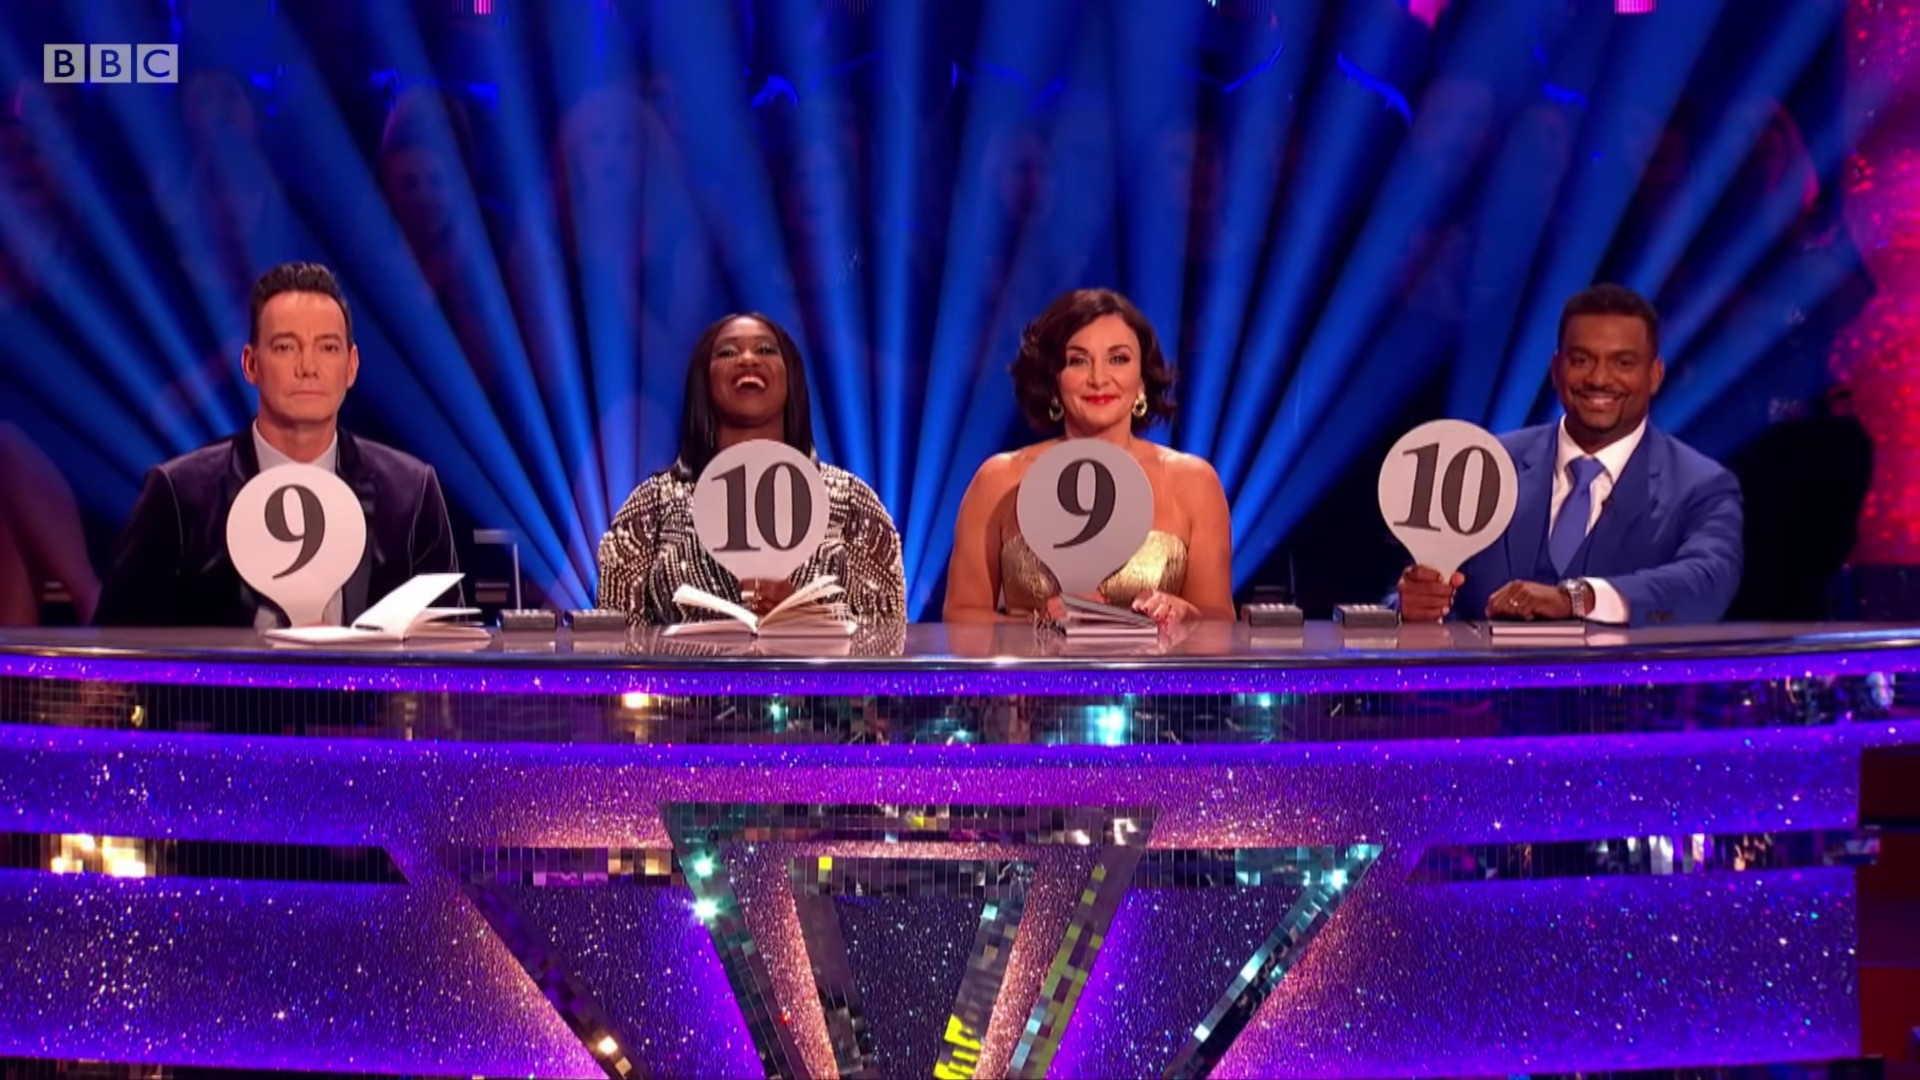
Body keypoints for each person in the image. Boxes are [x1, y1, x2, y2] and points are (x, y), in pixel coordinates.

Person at [95, 262, 459, 628]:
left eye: (327, 348)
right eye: (286, 347)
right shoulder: (179, 493)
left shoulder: (410, 492)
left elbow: (452, 649)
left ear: (351, 367)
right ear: (251, 364)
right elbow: (114, 649)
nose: (308, 367)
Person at [1397, 284, 1742, 626]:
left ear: (1654, 375)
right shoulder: (1489, 463)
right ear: (1556, 369)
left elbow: (1708, 581)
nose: (1599, 378)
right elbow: (1420, 591)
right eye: (1581, 360)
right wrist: (1412, 605)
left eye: (1623, 362)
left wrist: (1578, 598)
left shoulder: (1701, 486)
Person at [944, 288, 1235, 626]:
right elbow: (960, 617)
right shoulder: (998, 481)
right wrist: (1041, 626)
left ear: (1142, 379)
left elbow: (1220, 622)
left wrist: (1186, 616)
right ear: (1053, 380)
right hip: (1037, 680)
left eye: (1118, 358)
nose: (1099, 379)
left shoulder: (1194, 483)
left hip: (1151, 679)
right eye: (1078, 360)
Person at [596, 312, 905, 625]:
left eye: (766, 350)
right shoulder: (653, 503)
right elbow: (611, 641)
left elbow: (892, 638)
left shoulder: (851, 500)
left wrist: (810, 620)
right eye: (728, 352)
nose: (747, 359)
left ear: (791, 376)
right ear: (704, 379)